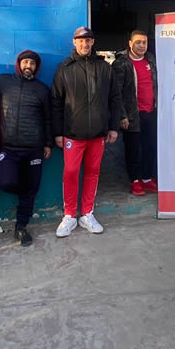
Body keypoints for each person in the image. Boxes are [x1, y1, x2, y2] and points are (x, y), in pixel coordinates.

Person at [51, 26, 121, 237]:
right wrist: (58, 132)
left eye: (88, 40)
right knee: (71, 173)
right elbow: (56, 101)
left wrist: (113, 127)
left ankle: (87, 214)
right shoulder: (65, 68)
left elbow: (114, 99)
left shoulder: (105, 68)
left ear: (92, 42)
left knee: (93, 173)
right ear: (74, 42)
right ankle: (70, 215)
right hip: (73, 134)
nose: (84, 44)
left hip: (98, 134)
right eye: (80, 40)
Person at [0, 50, 52, 246]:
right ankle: (24, 192)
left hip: (34, 149)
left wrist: (48, 143)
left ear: (36, 67)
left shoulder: (42, 90)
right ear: (19, 64)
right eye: (25, 62)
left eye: (32, 64)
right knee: (6, 183)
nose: (29, 66)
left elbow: (48, 119)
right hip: (8, 148)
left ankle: (21, 227)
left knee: (31, 189)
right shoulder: (3, 81)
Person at [112, 30, 158, 196]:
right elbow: (116, 92)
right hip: (132, 115)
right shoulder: (121, 63)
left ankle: (146, 179)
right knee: (133, 150)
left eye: (144, 42)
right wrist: (122, 115)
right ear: (130, 43)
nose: (141, 45)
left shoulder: (151, 60)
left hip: (151, 112)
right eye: (138, 42)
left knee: (150, 147)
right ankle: (135, 181)